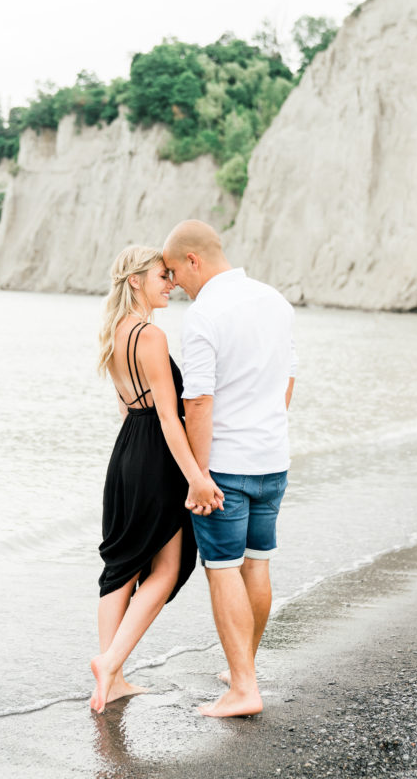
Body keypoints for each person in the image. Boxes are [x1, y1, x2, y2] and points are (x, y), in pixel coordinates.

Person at [162, 221, 296, 718]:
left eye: (175, 271)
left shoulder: (205, 314)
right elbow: (288, 380)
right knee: (256, 563)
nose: (174, 284)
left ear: (194, 260)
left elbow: (196, 401)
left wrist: (199, 474)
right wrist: (265, 425)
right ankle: (246, 668)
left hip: (225, 468)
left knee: (222, 572)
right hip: (271, 459)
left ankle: (243, 688)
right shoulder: (275, 301)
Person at [90, 245, 224, 714]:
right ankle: (110, 665)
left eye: (171, 275)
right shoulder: (150, 335)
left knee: (121, 566)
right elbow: (170, 418)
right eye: (160, 276)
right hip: (156, 454)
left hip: (127, 450)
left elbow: (128, 407)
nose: (170, 283)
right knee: (165, 570)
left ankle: (113, 677)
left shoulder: (114, 332)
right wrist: (197, 478)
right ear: (134, 281)